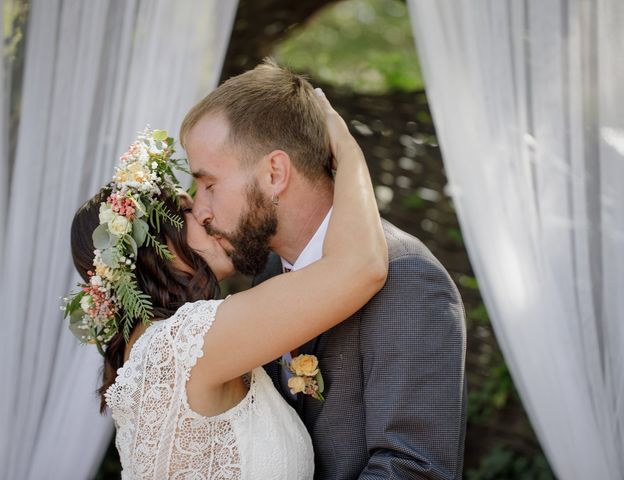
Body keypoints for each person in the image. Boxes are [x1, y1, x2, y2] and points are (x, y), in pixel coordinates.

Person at [67, 90, 387, 478]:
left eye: (206, 191)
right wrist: (347, 149)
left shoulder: (159, 346)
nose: (204, 212)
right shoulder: (184, 345)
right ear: (155, 248)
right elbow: (362, 266)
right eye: (186, 210)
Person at [181, 61, 467, 479]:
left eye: (209, 184)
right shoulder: (269, 274)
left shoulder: (409, 281)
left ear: (275, 173)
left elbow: (414, 470)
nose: (200, 211)